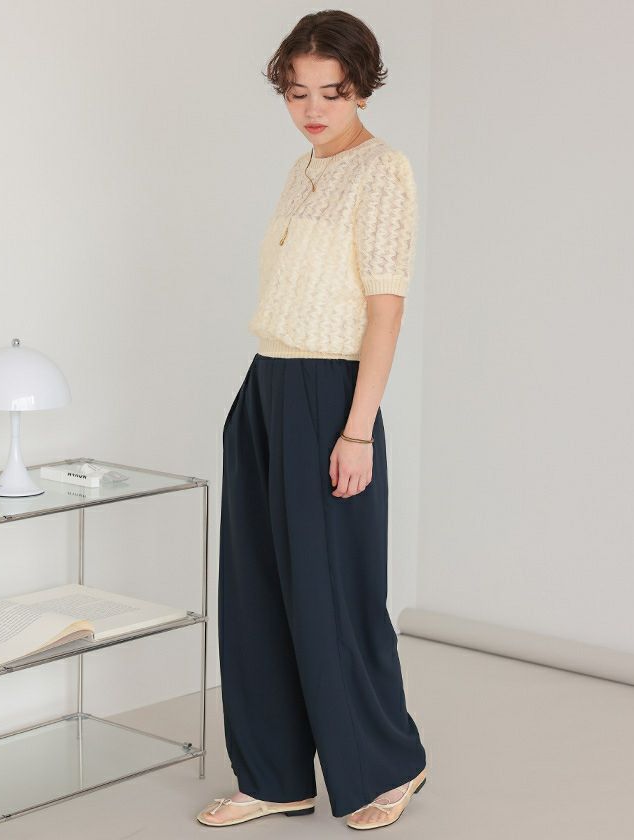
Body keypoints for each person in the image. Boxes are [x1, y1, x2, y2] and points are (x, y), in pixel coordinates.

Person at [196, 9, 427, 831]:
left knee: (334, 596)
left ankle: (387, 764)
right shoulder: (302, 169)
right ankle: (274, 776)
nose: (313, 109)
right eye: (298, 93)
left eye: (331, 91)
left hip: (331, 395)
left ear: (361, 86)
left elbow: (385, 309)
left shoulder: (383, 170)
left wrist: (357, 430)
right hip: (265, 384)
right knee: (255, 593)